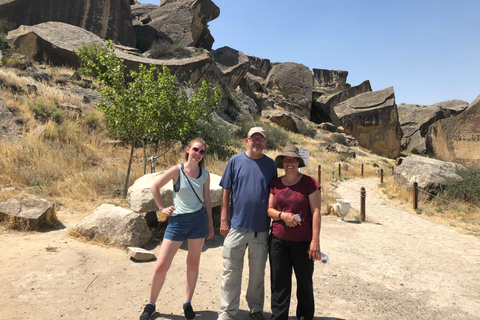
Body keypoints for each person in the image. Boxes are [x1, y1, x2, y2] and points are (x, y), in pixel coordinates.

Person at [139, 139, 214, 320]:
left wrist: (210, 224)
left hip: (198, 221)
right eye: (195, 149)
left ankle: (187, 303)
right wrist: (161, 208)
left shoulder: (205, 174)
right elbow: (154, 186)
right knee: (161, 265)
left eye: (202, 152)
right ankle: (151, 304)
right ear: (188, 150)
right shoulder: (177, 170)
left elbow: (207, 200)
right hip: (177, 221)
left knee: (193, 264)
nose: (198, 153)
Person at [218, 127, 278, 320]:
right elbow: (226, 191)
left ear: (265, 143)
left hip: (260, 229)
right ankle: (227, 312)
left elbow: (274, 194)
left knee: (257, 274)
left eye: (261, 139)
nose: (257, 142)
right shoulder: (235, 161)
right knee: (230, 271)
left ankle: (256, 308)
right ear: (247, 141)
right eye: (254, 138)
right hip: (236, 226)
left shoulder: (270, 165)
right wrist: (224, 219)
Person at [267, 145, 322, 320]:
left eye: (293, 159)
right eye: (286, 159)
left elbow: (316, 212)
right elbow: (269, 210)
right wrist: (283, 216)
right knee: (279, 284)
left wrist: (315, 241)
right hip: (278, 241)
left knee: (304, 283)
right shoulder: (275, 184)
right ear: (282, 162)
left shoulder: (309, 182)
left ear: (299, 161)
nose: (289, 163)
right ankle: (279, 317)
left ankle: (305, 317)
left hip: (303, 242)